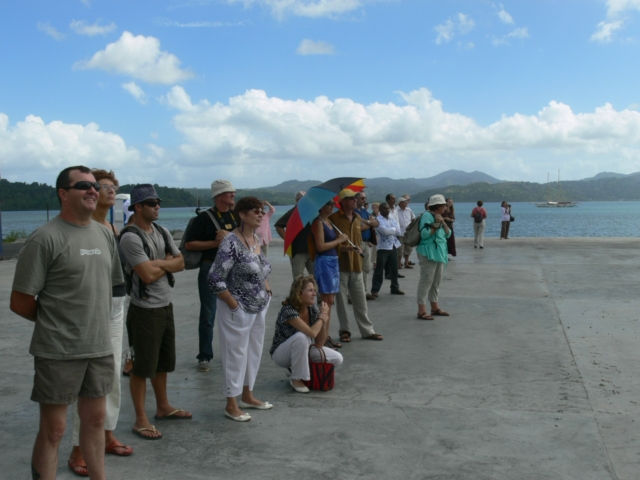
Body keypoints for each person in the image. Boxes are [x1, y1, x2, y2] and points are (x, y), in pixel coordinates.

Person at [10, 165, 123, 480]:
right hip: (58, 350)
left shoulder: (103, 233)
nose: (92, 191)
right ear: (63, 193)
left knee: (96, 421)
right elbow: (19, 301)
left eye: (94, 186)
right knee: (55, 430)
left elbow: (111, 287)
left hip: (99, 347)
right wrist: (56, 322)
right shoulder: (44, 238)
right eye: (83, 186)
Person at [67, 169, 133, 477]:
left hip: (118, 300)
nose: (108, 190)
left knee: (113, 373)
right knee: (90, 378)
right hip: (95, 304)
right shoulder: (85, 225)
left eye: (112, 187)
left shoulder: (111, 224)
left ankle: (107, 432)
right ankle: (79, 446)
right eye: (101, 186)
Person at [119, 184, 191, 441]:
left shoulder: (160, 231)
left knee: (162, 362)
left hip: (164, 305)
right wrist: (166, 264)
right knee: (140, 367)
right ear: (137, 207)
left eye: (158, 202)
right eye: (151, 203)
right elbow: (146, 275)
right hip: (144, 311)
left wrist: (159, 263)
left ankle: (163, 406)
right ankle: (140, 419)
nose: (157, 206)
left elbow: (182, 262)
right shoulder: (130, 237)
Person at [209, 196, 273, 422]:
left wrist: (267, 289)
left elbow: (262, 270)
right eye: (255, 211)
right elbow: (215, 277)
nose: (260, 214)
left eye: (262, 211)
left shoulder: (255, 239)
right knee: (234, 354)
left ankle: (248, 394)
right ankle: (231, 403)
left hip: (258, 306)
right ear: (242, 214)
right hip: (238, 308)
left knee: (253, 352)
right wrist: (233, 303)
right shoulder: (231, 242)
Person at [183, 179, 238, 372]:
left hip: (232, 269)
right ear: (219, 196)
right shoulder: (204, 218)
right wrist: (215, 243)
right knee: (208, 313)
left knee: (233, 311)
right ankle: (204, 356)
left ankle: (232, 351)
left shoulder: (235, 216)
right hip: (210, 268)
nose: (233, 194)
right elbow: (189, 245)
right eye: (229, 192)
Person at [270, 276, 344, 393]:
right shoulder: (288, 310)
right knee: (301, 337)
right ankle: (296, 379)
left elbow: (319, 343)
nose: (314, 294)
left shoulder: (312, 309)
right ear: (299, 293)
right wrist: (322, 317)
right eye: (310, 290)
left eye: (315, 290)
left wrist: (323, 321)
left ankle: (299, 370)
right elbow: (312, 333)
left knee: (337, 358)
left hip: (303, 348)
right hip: (281, 354)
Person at [329, 188, 384, 343]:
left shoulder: (357, 217)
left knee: (360, 300)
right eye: (352, 198)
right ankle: (344, 330)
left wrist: (358, 247)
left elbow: (362, 233)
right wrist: (344, 248)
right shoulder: (333, 219)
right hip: (341, 266)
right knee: (342, 302)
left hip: (356, 264)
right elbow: (330, 244)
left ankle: (367, 330)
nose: (356, 200)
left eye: (356, 198)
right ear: (343, 202)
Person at [311, 200, 348, 349]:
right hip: (325, 263)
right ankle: (322, 337)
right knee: (326, 301)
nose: (332, 206)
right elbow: (320, 246)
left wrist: (346, 247)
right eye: (328, 204)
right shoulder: (318, 223)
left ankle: (325, 335)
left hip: (332, 261)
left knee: (330, 301)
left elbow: (332, 245)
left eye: (332, 204)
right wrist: (339, 240)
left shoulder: (329, 222)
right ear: (321, 207)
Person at [416, 194, 451, 320]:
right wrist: (436, 223)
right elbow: (425, 235)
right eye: (444, 205)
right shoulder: (426, 216)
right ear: (438, 206)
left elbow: (448, 234)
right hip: (428, 253)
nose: (446, 207)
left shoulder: (439, 216)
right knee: (426, 281)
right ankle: (421, 310)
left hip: (439, 253)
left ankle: (435, 307)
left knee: (436, 282)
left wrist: (442, 222)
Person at [275, 191, 314, 279]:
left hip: (311, 250)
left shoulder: (311, 212)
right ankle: (298, 293)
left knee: (316, 276)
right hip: (297, 251)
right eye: (299, 199)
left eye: (304, 199)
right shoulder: (293, 211)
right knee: (298, 278)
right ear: (297, 201)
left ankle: (312, 292)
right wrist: (288, 239)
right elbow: (278, 225)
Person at [371, 202, 404, 297]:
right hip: (383, 248)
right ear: (380, 210)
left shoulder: (391, 218)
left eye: (388, 208)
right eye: (384, 208)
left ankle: (395, 288)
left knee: (394, 269)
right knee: (379, 269)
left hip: (393, 245)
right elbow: (384, 232)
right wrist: (392, 230)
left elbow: (398, 231)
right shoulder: (378, 220)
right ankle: (375, 290)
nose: (387, 210)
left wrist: (391, 230)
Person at [354, 192, 378, 299]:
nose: (364, 200)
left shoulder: (364, 211)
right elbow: (358, 229)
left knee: (365, 268)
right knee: (357, 269)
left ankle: (364, 291)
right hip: (357, 243)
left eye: (365, 198)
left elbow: (377, 223)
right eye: (362, 198)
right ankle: (355, 293)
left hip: (366, 243)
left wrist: (367, 222)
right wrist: (369, 223)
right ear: (356, 199)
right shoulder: (353, 213)